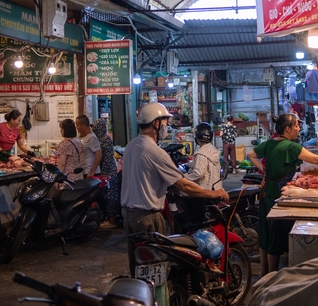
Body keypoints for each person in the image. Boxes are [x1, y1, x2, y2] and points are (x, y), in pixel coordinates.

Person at [122, 102, 229, 276]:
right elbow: (184, 185)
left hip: (130, 217)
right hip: (148, 219)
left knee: (138, 269)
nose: (166, 126)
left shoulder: (131, 146)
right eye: (164, 121)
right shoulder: (155, 151)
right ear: (156, 123)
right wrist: (214, 193)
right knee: (155, 272)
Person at [246, 113, 318, 277]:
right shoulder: (291, 147)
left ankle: (264, 275)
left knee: (265, 233)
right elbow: (317, 160)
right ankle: (271, 278)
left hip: (265, 192)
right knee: (275, 237)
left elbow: (251, 155)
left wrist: (265, 172)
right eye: (296, 126)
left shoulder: (270, 143)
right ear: (288, 128)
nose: (299, 129)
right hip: (278, 194)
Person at [92, 117, 120, 229]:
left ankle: (112, 221)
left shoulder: (103, 140)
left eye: (94, 127)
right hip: (106, 170)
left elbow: (99, 155)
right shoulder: (102, 138)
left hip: (108, 171)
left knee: (110, 196)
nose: (93, 129)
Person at [184, 122, 222, 190]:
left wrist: (185, 177)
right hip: (216, 188)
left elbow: (199, 174)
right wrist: (189, 164)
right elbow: (203, 164)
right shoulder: (213, 150)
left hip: (206, 190)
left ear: (197, 138)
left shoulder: (201, 154)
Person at [53, 119, 84, 183]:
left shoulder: (64, 144)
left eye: (61, 129)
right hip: (79, 176)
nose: (60, 131)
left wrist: (58, 180)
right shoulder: (78, 142)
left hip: (68, 178)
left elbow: (62, 164)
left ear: (65, 130)